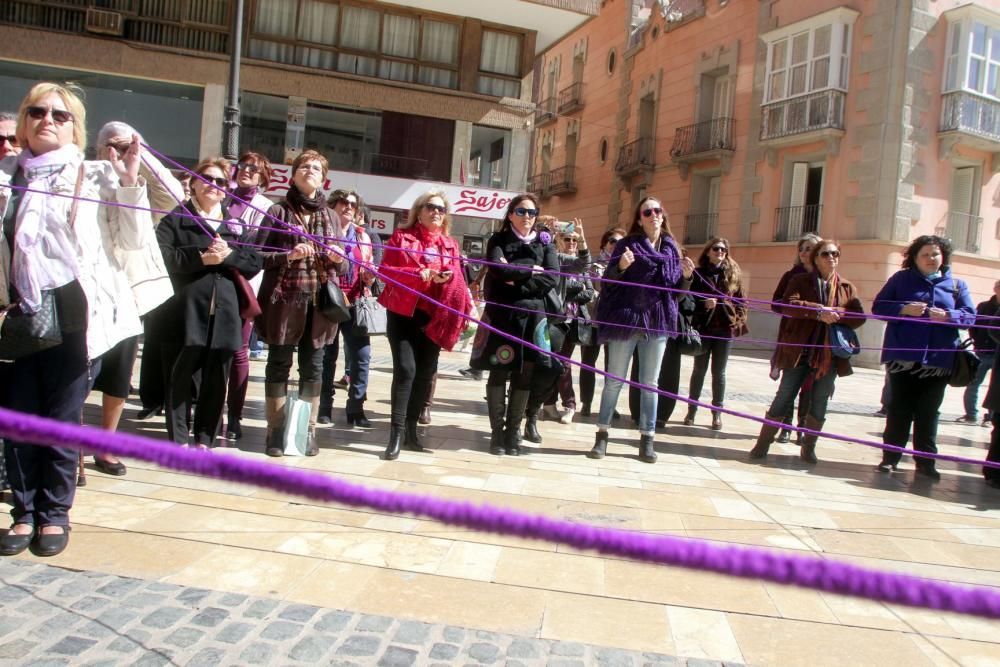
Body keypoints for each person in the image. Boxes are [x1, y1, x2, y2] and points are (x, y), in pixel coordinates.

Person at [0, 82, 152, 557]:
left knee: (62, 420)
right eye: (38, 112)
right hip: (21, 310)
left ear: (75, 128)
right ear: (24, 121)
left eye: (60, 116)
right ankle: (22, 513)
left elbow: (131, 242)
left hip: (77, 311)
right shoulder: (7, 174)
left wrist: (130, 180)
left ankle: (53, 514)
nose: (48, 120)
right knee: (19, 419)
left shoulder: (97, 175)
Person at [89, 121, 181, 475]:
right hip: (88, 292)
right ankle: (68, 450)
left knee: (118, 376)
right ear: (97, 149)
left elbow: (173, 196)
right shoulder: (85, 180)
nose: (117, 151)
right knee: (79, 377)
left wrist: (142, 157)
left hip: (126, 295)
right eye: (112, 145)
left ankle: (105, 446)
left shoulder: (138, 185)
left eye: (124, 145)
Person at [157, 157, 262, 449]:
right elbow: (163, 258)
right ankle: (178, 440)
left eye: (219, 181)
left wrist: (229, 255)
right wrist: (201, 258)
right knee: (180, 376)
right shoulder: (174, 219)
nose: (213, 186)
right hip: (184, 312)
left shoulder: (235, 223)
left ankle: (206, 437)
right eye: (206, 178)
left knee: (217, 377)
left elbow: (254, 262)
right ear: (192, 182)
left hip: (226, 312)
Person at [589, 197, 694, 463]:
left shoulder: (672, 249)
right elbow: (609, 281)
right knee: (614, 380)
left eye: (658, 210)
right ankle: (602, 436)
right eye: (648, 211)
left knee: (650, 384)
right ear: (639, 218)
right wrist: (621, 267)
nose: (654, 215)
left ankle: (647, 439)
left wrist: (687, 278)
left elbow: (677, 296)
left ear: (663, 215)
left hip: (658, 322)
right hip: (627, 319)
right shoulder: (626, 245)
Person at [255, 150, 345, 457]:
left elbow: (345, 267)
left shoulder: (332, 216)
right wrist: (288, 255)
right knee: (278, 364)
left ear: (323, 178)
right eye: (304, 166)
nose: (310, 170)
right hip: (284, 303)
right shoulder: (277, 211)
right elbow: (256, 256)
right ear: (293, 175)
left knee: (314, 368)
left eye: (316, 168)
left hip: (320, 305)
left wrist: (337, 258)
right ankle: (275, 430)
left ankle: (306, 430)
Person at [749, 240, 865, 464]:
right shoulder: (799, 280)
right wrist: (818, 312)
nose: (831, 257)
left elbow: (859, 316)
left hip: (828, 356)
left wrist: (838, 313)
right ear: (815, 258)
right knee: (784, 396)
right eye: (825, 254)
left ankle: (809, 447)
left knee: (820, 400)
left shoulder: (846, 287)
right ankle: (763, 443)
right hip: (798, 351)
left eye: (835, 254)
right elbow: (787, 305)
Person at [872, 235, 975, 480]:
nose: (931, 259)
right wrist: (903, 309)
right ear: (915, 258)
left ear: (944, 257)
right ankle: (890, 458)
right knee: (899, 409)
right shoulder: (900, 279)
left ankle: (926, 462)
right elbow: (878, 307)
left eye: (935, 254)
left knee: (929, 412)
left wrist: (950, 316)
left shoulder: (957, 285)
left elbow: (970, 316)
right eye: (925, 254)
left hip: (939, 361)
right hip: (903, 358)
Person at [378, 190, 468, 460]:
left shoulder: (451, 244)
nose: (436, 212)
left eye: (441, 209)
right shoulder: (401, 237)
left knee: (425, 374)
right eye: (430, 207)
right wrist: (418, 274)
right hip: (403, 314)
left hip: (434, 316)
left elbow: (459, 280)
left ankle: (411, 431)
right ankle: (395, 434)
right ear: (419, 210)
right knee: (406, 371)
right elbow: (385, 271)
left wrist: (447, 278)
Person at [469, 195, 558, 456]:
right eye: (521, 211)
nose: (527, 216)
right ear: (510, 215)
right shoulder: (497, 241)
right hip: (502, 315)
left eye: (532, 212)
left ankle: (513, 432)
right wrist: (533, 270)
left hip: (533, 317)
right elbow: (498, 271)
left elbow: (552, 278)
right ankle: (497, 433)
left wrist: (516, 275)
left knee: (525, 374)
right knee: (499, 371)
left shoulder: (547, 244)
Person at [526, 225, 594, 443]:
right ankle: (541, 406)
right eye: (567, 238)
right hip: (534, 315)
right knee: (536, 364)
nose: (571, 242)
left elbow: (584, 267)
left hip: (562, 321)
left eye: (574, 240)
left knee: (558, 365)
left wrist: (583, 243)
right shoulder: (536, 252)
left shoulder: (562, 259)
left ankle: (559, 407)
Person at [223, 151, 274, 441]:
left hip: (244, 285)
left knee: (239, 351)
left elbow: (256, 249)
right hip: (213, 281)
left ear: (263, 176)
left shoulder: (266, 207)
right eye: (242, 166)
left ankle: (235, 416)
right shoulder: (221, 194)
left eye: (254, 169)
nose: (246, 171)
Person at [682, 237, 747, 431]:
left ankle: (716, 413)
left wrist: (737, 320)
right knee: (699, 371)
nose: (720, 252)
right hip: (703, 330)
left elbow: (742, 301)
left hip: (724, 331)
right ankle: (691, 411)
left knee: (719, 373)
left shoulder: (733, 274)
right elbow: (689, 301)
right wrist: (704, 304)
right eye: (717, 249)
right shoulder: (699, 274)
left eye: (724, 250)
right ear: (708, 251)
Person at [327, 188, 377, 428]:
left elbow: (368, 267)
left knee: (362, 356)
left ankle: (356, 408)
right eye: (342, 202)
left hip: (356, 301)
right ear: (332, 205)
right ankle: (324, 406)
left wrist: (370, 275)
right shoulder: (324, 230)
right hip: (328, 299)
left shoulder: (362, 236)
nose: (348, 207)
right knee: (327, 355)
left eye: (353, 205)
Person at [771, 233, 821, 443]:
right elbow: (776, 303)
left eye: (809, 248)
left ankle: (803, 426)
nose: (803, 252)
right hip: (792, 335)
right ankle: (785, 426)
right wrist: (801, 309)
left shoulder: (825, 277)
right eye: (801, 248)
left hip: (817, 338)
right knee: (789, 383)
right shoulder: (791, 275)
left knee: (810, 386)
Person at [580, 228, 625, 417]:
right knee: (588, 363)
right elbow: (593, 289)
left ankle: (610, 405)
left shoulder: (628, 266)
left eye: (620, 243)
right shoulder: (595, 264)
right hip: (594, 320)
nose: (616, 245)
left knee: (612, 367)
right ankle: (586, 403)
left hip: (615, 322)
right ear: (605, 243)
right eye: (613, 241)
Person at [958, 279, 1000, 426]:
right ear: (995, 289)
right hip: (981, 351)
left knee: (995, 386)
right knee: (973, 383)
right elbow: (973, 325)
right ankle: (971, 414)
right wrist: (976, 340)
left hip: (997, 354)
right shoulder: (983, 306)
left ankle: (990, 416)